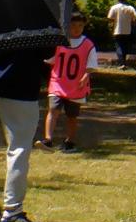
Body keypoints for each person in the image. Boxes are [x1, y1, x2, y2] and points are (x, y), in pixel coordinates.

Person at [0, 47, 47, 222]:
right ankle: (12, 213)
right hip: (21, 91)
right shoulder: (36, 21)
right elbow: (47, 51)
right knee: (18, 152)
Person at [41, 12, 96, 153]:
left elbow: (91, 65)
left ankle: (70, 141)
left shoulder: (88, 44)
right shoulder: (60, 41)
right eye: (73, 25)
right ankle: (48, 139)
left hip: (76, 86)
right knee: (53, 110)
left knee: (72, 116)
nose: (76, 28)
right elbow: (50, 59)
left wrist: (85, 76)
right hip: (58, 82)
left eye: (80, 25)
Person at [106, 0, 136, 68]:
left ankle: (121, 63)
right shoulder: (130, 8)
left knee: (118, 46)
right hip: (127, 30)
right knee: (125, 47)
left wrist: (112, 24)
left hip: (117, 30)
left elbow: (110, 18)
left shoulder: (114, 7)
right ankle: (123, 62)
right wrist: (133, 23)